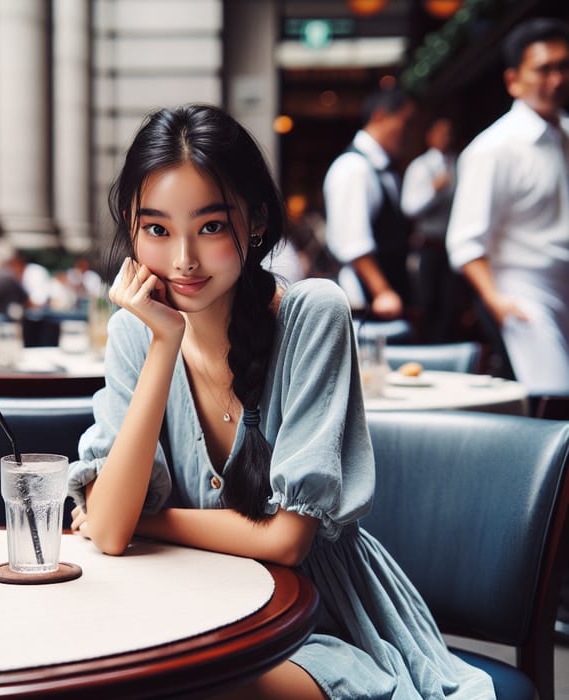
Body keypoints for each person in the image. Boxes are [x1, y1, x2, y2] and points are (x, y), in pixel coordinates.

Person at [67, 104, 494, 699]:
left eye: (211, 226)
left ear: (257, 221)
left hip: (318, 623)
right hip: (191, 609)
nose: (183, 259)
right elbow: (111, 534)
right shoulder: (136, 333)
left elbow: (285, 542)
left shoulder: (313, 312)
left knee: (191, 689)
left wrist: (148, 521)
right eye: (157, 229)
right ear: (131, 228)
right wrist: (165, 343)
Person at [446, 17, 569, 394]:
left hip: (563, 286)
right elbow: (465, 243)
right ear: (513, 80)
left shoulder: (565, 131)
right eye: (544, 69)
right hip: (524, 291)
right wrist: (498, 303)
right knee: (555, 400)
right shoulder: (493, 148)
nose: (558, 79)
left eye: (564, 67)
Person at [323, 86, 417, 320]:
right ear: (380, 116)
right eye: (405, 122)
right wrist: (383, 292)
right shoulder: (353, 168)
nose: (408, 132)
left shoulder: (381, 168)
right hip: (366, 302)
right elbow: (354, 244)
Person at [401, 116, 458, 342]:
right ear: (430, 136)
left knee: (449, 304)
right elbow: (409, 207)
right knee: (427, 301)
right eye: (441, 133)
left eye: (449, 134)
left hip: (451, 246)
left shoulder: (458, 164)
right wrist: (433, 191)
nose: (446, 138)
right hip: (427, 245)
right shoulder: (420, 167)